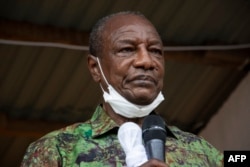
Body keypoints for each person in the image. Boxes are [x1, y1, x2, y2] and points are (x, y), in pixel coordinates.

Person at [21, 11, 223, 167]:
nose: (146, 61)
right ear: (95, 68)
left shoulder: (203, 151)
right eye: (127, 49)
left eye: (155, 51)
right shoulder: (56, 149)